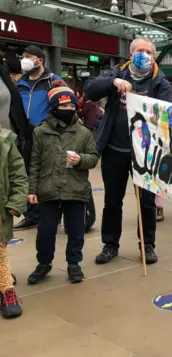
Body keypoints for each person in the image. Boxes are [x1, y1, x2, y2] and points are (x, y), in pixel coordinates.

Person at [84, 37, 172, 265]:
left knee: (146, 202)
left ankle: (147, 245)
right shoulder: (117, 73)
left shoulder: (161, 83)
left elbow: (167, 116)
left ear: (154, 57)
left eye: (149, 52)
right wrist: (112, 82)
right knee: (113, 200)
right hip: (115, 149)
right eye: (140, 51)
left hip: (145, 153)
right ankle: (110, 244)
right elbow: (90, 90)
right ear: (131, 55)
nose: (145, 55)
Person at [26, 86, 98, 285]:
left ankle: (74, 264)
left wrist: (81, 159)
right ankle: (44, 263)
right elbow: (35, 163)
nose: (67, 108)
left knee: (75, 230)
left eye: (70, 105)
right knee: (46, 230)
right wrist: (32, 190)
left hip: (75, 188)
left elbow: (93, 157)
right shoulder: (40, 132)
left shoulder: (83, 133)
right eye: (63, 105)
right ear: (54, 107)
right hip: (48, 189)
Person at [15, 45, 65, 231]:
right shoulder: (20, 84)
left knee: (49, 176)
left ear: (40, 60)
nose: (24, 59)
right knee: (29, 175)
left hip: (47, 136)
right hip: (26, 137)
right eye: (24, 55)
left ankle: (52, 214)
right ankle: (32, 214)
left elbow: (64, 107)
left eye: (29, 56)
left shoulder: (54, 81)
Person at [0, 126, 28, 319]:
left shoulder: (6, 143)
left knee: (0, 253)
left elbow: (18, 175)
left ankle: (6, 289)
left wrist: (17, 201)